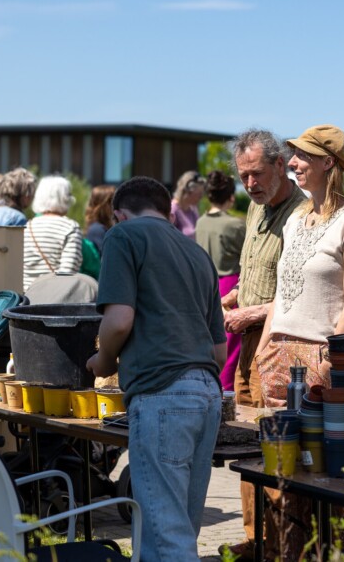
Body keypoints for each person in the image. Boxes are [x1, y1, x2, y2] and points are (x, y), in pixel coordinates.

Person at [85, 176, 225, 562]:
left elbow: (118, 322)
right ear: (168, 212)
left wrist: (105, 361)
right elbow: (218, 352)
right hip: (208, 395)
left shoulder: (123, 235)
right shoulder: (197, 254)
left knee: (166, 540)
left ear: (118, 214)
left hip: (162, 393)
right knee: (177, 528)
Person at [254, 124, 344, 558]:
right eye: (293, 155)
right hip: (278, 354)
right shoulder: (296, 219)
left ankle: (341, 555)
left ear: (328, 163)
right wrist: (265, 349)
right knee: (283, 470)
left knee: (330, 470)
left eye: (303, 156)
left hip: (323, 357)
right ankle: (290, 553)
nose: (293, 163)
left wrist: (332, 362)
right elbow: (280, 292)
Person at [217, 129, 306, 562]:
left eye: (256, 174)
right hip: (247, 343)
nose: (249, 184)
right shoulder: (255, 210)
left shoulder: (302, 214)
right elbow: (249, 272)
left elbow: (299, 292)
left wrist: (246, 314)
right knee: (246, 443)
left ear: (280, 164)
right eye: (243, 176)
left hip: (279, 347)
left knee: (273, 446)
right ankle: (256, 540)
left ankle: (280, 544)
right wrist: (228, 300)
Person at [195, 170, 246, 391]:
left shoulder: (201, 222)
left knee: (207, 341)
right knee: (229, 346)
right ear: (231, 196)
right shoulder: (236, 225)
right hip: (229, 285)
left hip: (204, 284)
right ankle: (225, 392)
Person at [22, 175, 83, 291]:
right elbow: (67, 273)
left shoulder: (27, 226)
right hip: (53, 301)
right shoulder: (70, 227)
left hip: (24, 300)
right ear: (65, 198)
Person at [170, 170, 206, 239]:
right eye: (199, 194)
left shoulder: (193, 209)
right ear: (187, 191)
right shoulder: (172, 210)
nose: (201, 197)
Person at [84, 184, 116, 250]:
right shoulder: (98, 230)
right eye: (112, 201)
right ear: (102, 205)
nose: (115, 205)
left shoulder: (102, 227)